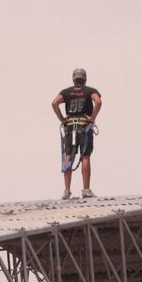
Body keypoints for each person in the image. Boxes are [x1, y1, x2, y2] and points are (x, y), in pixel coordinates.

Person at [50, 68, 103, 199]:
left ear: (74, 79)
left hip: (70, 127)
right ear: (85, 79)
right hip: (84, 127)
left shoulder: (66, 92)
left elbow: (54, 103)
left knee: (68, 156)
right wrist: (92, 117)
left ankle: (67, 190)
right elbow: (98, 101)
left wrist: (62, 119)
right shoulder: (90, 91)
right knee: (85, 156)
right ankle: (86, 190)